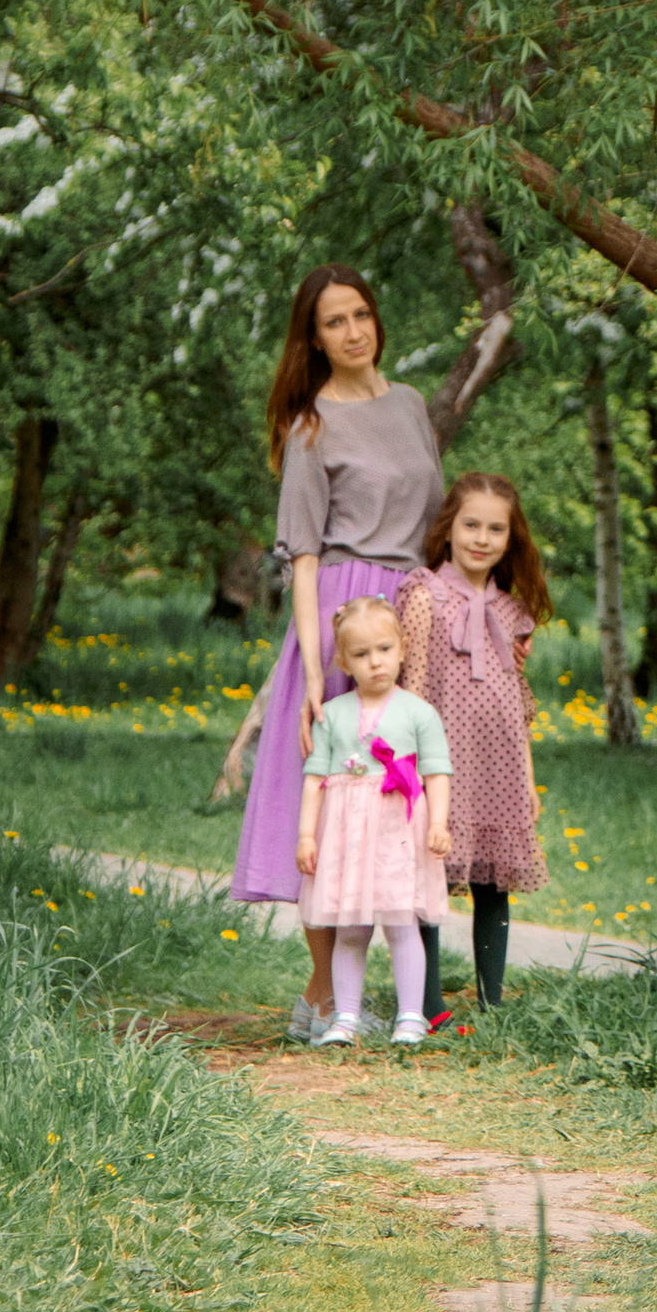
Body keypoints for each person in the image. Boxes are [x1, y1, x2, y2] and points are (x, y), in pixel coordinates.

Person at [232, 263, 446, 1039]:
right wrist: (318, 669)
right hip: (339, 619)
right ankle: (325, 992)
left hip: (409, 611)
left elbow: (433, 522)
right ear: (313, 338)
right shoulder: (310, 428)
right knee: (332, 793)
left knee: (402, 795)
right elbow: (306, 559)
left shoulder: (412, 405)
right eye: (334, 322)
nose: (354, 331)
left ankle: (417, 991)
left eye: (362, 314)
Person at [397, 470, 552, 1010]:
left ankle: (492, 1002)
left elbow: (517, 706)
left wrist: (528, 780)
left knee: (494, 882)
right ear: (448, 529)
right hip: (439, 765)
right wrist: (407, 765)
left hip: (500, 765)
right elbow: (410, 687)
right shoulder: (424, 595)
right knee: (428, 875)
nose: (481, 539)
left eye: (495, 529)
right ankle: (429, 1004)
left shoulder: (511, 612)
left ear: (511, 539)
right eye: (470, 525)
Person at [296, 598, 451, 1048]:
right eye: (361, 654)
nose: (375, 662)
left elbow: (437, 771)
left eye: (384, 649)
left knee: (402, 924)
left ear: (402, 649)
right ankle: (345, 1018)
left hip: (397, 835)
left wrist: (438, 822)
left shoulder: (418, 712)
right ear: (343, 661)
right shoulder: (333, 712)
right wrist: (307, 834)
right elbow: (315, 779)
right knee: (350, 928)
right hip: (348, 837)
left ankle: (410, 1017)